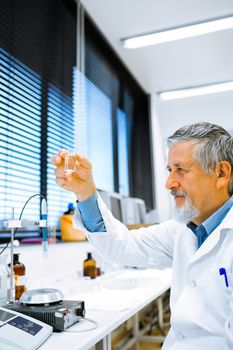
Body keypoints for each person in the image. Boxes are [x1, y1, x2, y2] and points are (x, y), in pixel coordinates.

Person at [51, 122, 233, 349]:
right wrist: (85, 191)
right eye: (169, 170)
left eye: (181, 170)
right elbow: (124, 246)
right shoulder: (182, 230)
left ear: (221, 173)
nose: (169, 183)